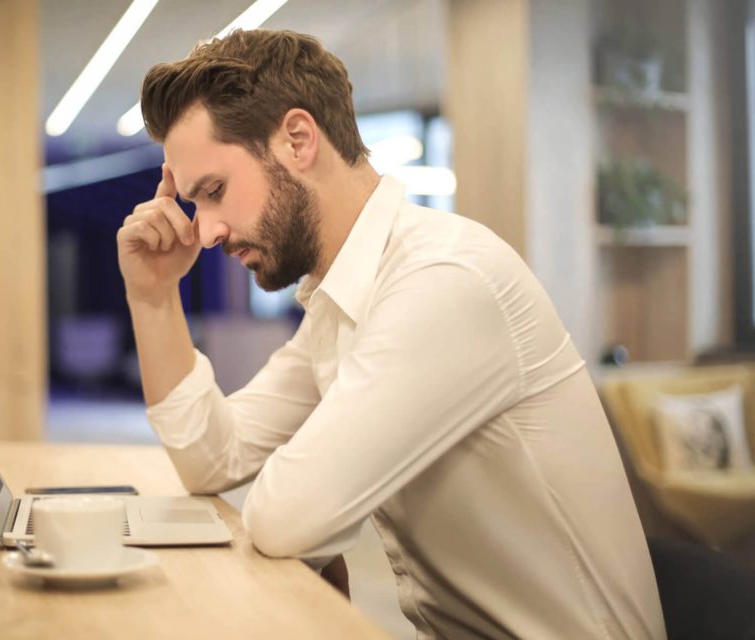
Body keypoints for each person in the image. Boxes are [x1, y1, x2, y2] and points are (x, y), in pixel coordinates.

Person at [116, 28, 666, 639]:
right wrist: (153, 295)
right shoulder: (343, 302)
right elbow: (211, 458)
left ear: (297, 140)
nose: (208, 231)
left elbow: (287, 517)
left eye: (214, 192)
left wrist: (309, 519)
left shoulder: (443, 281)